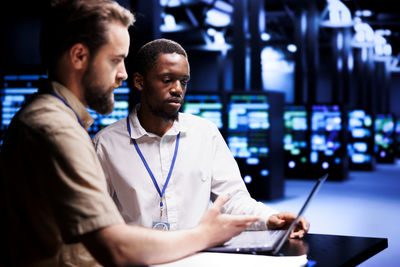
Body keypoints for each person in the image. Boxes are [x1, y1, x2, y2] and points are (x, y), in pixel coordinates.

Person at [0, 1, 260, 266]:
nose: (122, 75)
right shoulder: (57, 129)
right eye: (115, 60)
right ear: (79, 57)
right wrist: (204, 235)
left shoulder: (51, 119)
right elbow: (117, 248)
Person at [93, 39, 310, 236]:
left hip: (196, 255)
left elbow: (232, 198)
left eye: (183, 81)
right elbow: (94, 218)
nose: (177, 89)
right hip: (138, 259)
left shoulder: (206, 133)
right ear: (140, 82)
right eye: (167, 80)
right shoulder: (106, 144)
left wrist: (271, 218)